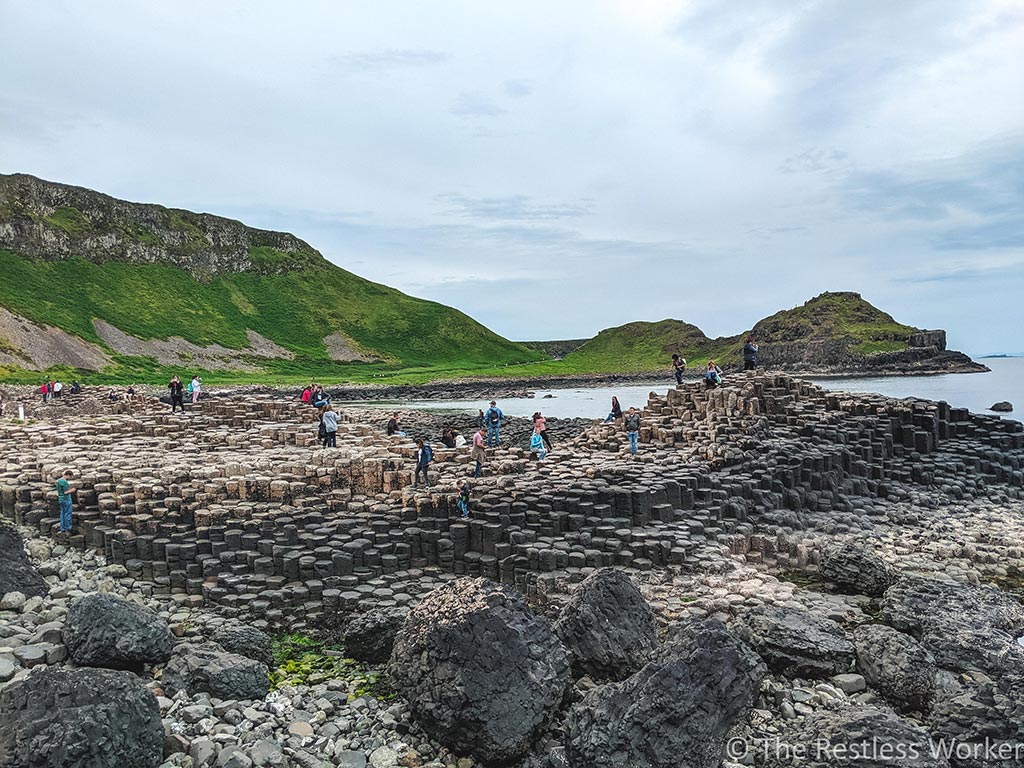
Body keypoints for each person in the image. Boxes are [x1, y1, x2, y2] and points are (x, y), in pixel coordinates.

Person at [56, 469, 76, 534]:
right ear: (67, 475)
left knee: (62, 514)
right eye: (70, 477)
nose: (70, 478)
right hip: (66, 499)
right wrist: (72, 490)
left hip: (61, 499)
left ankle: (62, 528)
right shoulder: (64, 482)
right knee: (68, 514)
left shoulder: (58, 481)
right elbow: (65, 492)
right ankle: (68, 528)